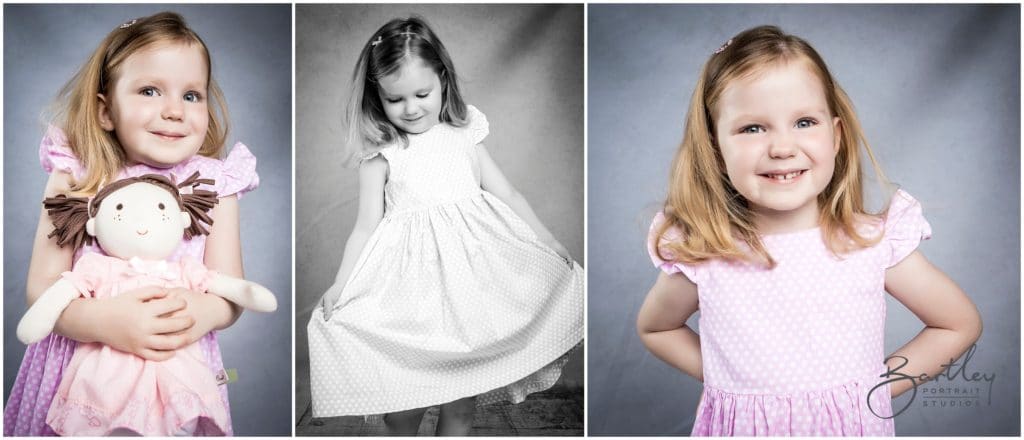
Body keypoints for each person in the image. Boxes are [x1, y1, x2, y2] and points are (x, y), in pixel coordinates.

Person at [637, 25, 982, 436]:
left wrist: (872, 390)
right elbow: (656, 327)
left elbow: (958, 323)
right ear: (715, 148)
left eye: (803, 122)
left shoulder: (869, 242)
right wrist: (730, 383)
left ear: (835, 137)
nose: (782, 147)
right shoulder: (707, 251)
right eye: (752, 128)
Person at [307, 16, 584, 436]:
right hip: (409, 292)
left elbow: (507, 194)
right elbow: (365, 227)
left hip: (469, 289)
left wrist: (549, 241)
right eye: (395, 99)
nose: (412, 108)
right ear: (376, 96)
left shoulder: (463, 134)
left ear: (443, 80)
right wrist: (341, 285)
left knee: (461, 403)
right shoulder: (383, 154)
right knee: (404, 407)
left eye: (422, 93)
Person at [4, 11, 259, 436]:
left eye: (192, 95)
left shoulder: (215, 184)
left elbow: (230, 290)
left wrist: (201, 310)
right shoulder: (77, 174)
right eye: (150, 90)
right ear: (105, 110)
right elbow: (42, 288)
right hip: (80, 370)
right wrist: (105, 322)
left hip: (176, 367)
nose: (175, 110)